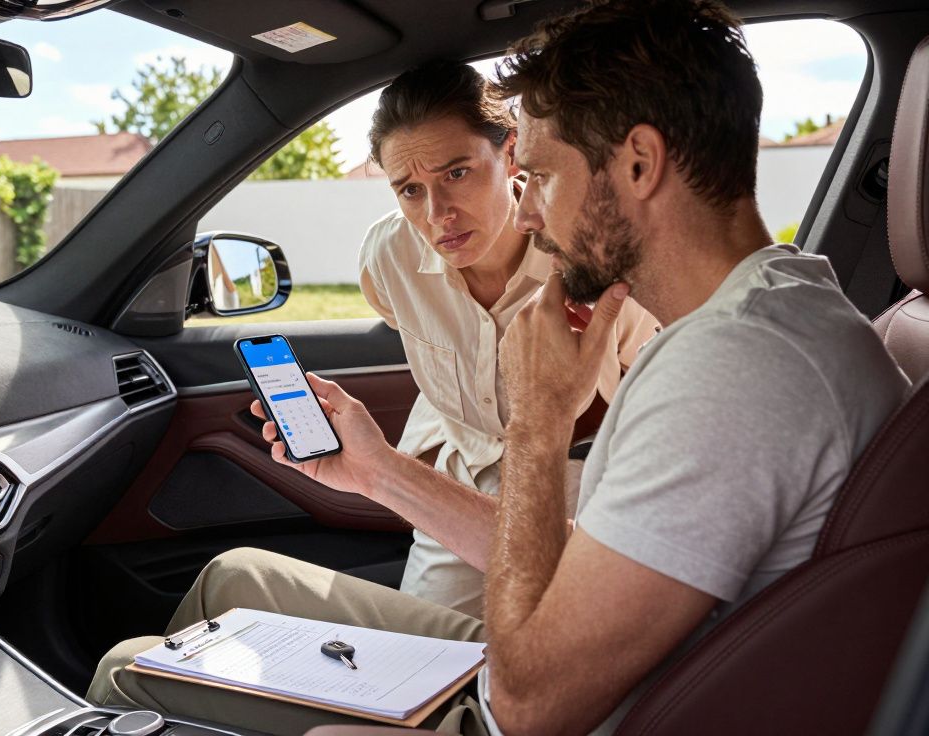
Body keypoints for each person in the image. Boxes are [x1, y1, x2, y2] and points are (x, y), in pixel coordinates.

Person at [88, 1, 910, 734]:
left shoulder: (730, 370)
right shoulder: (775, 310)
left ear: (638, 163)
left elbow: (525, 704)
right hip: (586, 659)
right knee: (232, 577)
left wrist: (540, 419)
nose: (524, 210)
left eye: (541, 176)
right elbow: (580, 566)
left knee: (127, 666)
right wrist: (377, 472)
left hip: (535, 704)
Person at [356, 61, 658, 616]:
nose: (437, 214)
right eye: (410, 190)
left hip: (584, 480)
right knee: (418, 660)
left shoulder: (591, 255)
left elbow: (653, 385)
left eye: (456, 174)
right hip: (464, 478)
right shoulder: (388, 256)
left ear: (511, 152)